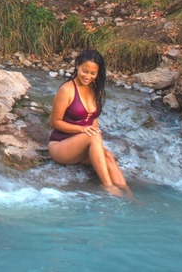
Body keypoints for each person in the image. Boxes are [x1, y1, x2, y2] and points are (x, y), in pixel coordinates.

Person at [48, 49, 130, 196]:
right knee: (93, 136)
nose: (88, 76)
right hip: (60, 146)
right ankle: (108, 187)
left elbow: (93, 119)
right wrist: (82, 130)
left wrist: (93, 134)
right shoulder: (66, 90)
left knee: (108, 156)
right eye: (85, 71)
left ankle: (129, 196)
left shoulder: (94, 89)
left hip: (83, 146)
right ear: (77, 65)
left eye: (93, 73)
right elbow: (55, 122)